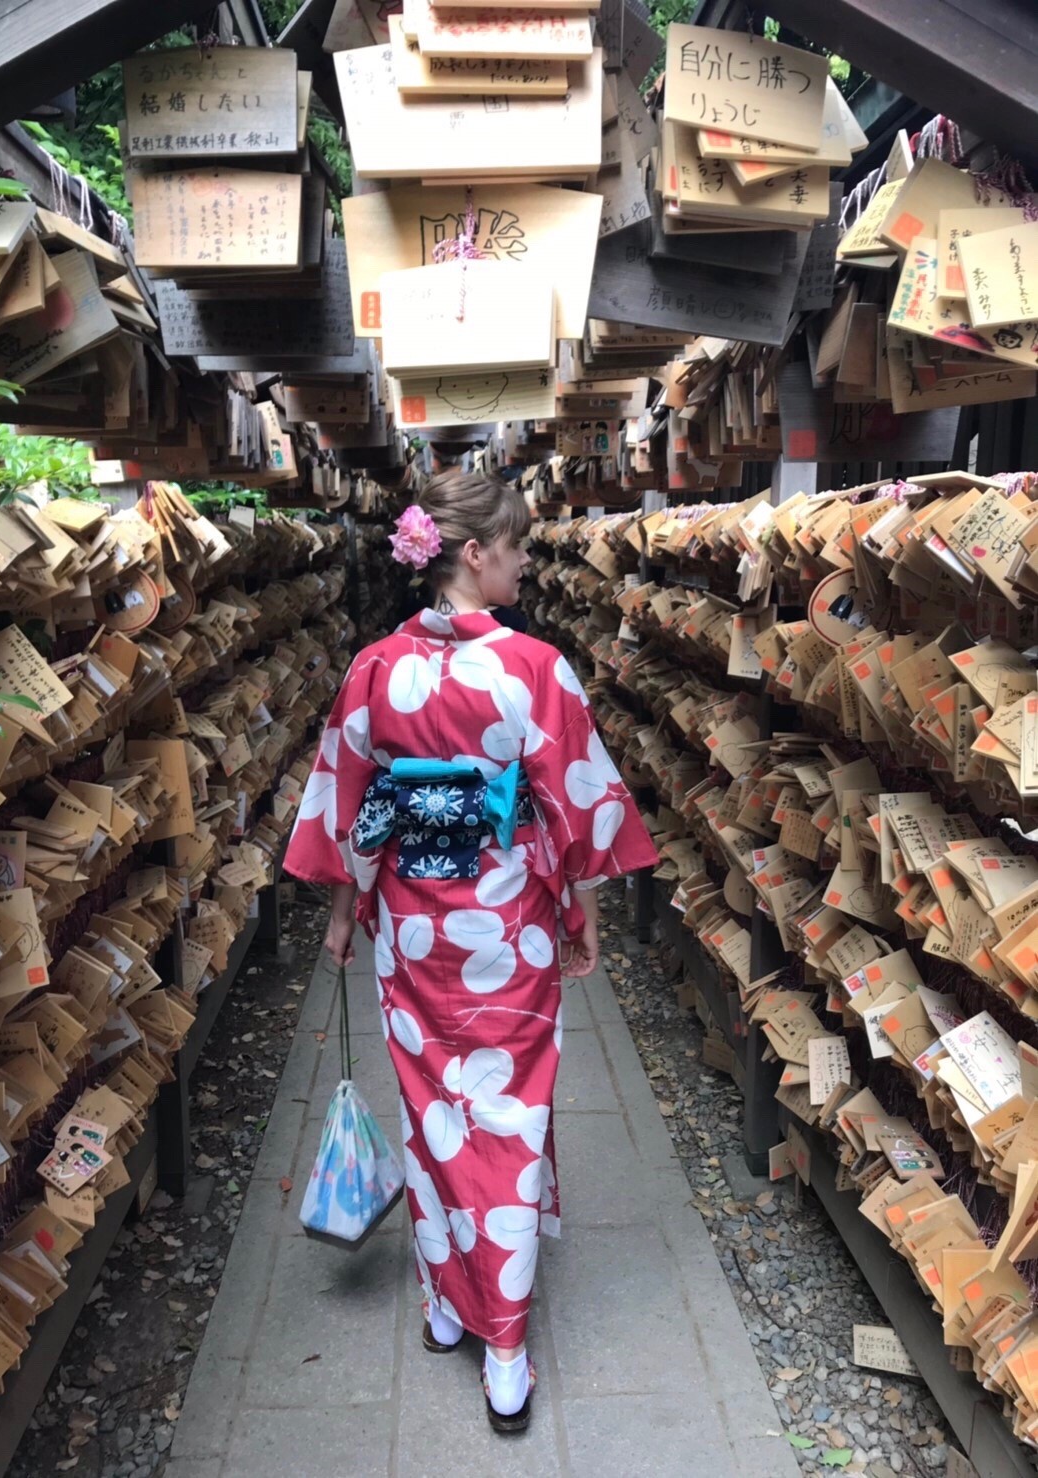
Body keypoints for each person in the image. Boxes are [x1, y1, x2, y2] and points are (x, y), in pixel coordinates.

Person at [283, 470, 657, 1433]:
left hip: (410, 925)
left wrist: (340, 915)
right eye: (520, 547)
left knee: (435, 1110)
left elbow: (352, 806)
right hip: (509, 927)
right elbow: (572, 804)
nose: (528, 563)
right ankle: (504, 1342)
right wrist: (581, 916)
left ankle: (448, 1304)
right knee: (507, 1114)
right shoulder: (534, 669)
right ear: (474, 554)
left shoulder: (373, 670)